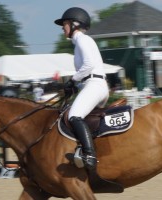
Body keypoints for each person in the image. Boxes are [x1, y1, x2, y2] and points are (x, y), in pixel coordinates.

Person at [54, 7, 109, 169]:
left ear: (74, 24)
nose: (62, 28)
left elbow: (89, 65)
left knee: (74, 115)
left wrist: (72, 80)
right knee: (81, 117)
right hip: (92, 84)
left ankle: (89, 154)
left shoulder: (82, 40)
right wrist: (76, 86)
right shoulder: (79, 42)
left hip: (95, 84)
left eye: (64, 24)